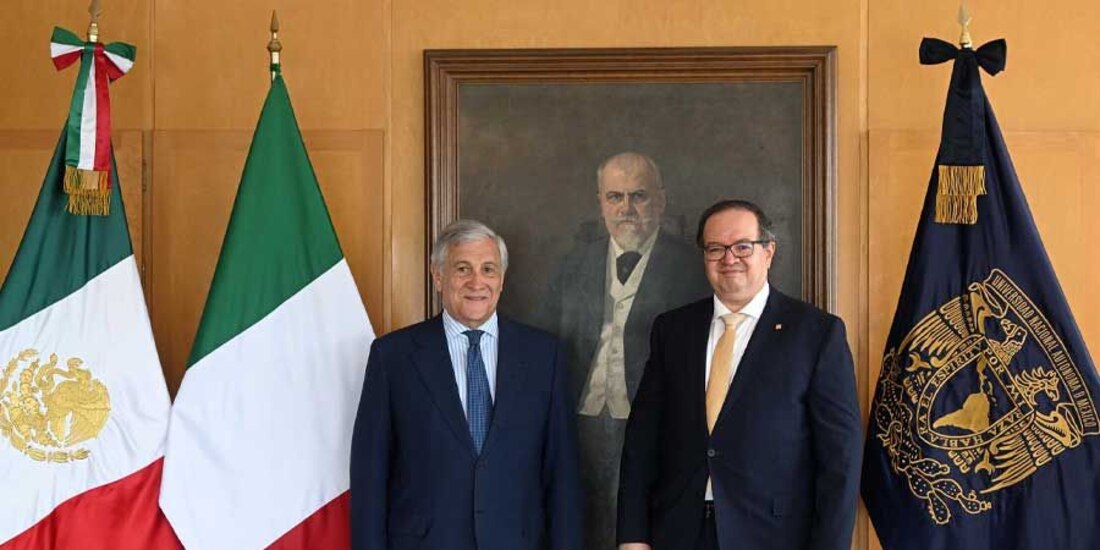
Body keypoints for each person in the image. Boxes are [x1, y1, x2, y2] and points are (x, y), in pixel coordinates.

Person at [617, 200, 862, 550]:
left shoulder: (816, 334)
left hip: (773, 537)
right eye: (715, 249)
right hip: (678, 533)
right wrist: (632, 536)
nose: (729, 259)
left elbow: (841, 459)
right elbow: (642, 441)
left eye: (742, 247)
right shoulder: (673, 330)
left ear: (769, 252)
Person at [350, 219, 582, 550]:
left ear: (501, 280)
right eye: (463, 269)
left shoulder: (545, 356)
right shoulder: (393, 357)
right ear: (438, 276)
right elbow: (370, 475)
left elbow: (562, 476)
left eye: (489, 269)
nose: (477, 282)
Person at [543, 152, 709, 549]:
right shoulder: (571, 266)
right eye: (615, 197)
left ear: (661, 200)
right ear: (600, 202)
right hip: (579, 425)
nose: (626, 209)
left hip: (653, 426)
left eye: (639, 196)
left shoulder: (692, 271)